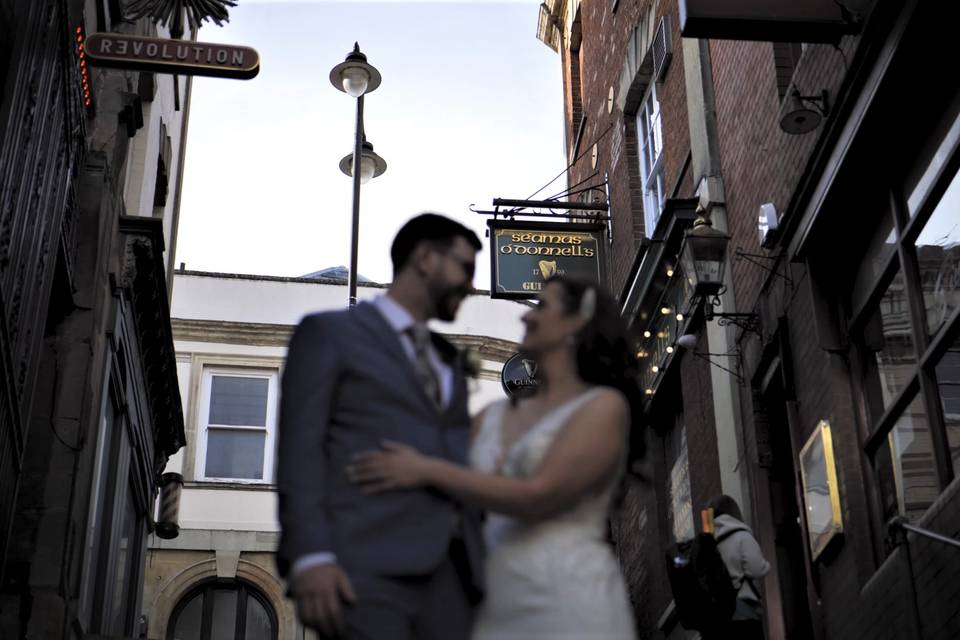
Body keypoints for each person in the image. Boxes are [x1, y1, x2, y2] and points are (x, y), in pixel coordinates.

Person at [348, 275, 644, 639]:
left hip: (569, 601)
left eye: (543, 307)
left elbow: (539, 496)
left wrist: (426, 470)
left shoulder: (601, 408)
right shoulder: (492, 417)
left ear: (576, 322)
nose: (526, 318)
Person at [276, 213, 485, 639]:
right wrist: (311, 556)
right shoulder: (328, 335)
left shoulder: (448, 360)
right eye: (465, 267)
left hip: (457, 578)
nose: (471, 284)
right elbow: (301, 450)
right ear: (425, 258)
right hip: (364, 570)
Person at [706, 495, 770, 640]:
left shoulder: (708, 544)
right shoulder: (741, 535)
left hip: (717, 619)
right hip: (743, 613)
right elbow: (757, 569)